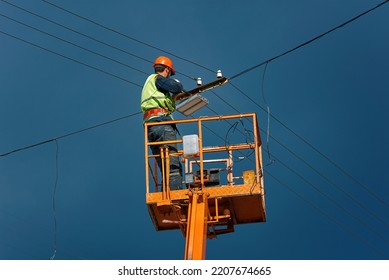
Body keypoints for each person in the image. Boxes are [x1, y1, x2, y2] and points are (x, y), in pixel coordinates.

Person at [141, 56, 185, 190]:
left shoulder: (151, 85)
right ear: (166, 70)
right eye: (169, 73)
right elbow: (175, 87)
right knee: (173, 167)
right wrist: (178, 86)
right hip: (162, 125)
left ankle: (166, 194)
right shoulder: (157, 79)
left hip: (151, 128)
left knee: (165, 170)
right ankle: (176, 196)